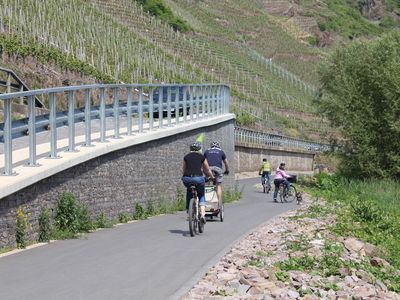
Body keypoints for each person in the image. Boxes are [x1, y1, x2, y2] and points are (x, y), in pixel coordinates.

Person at [182, 142, 214, 224]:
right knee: (201, 194)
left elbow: (183, 170)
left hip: (187, 179)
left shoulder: (186, 157)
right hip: (198, 178)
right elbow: (206, 170)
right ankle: (203, 215)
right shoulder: (202, 157)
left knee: (189, 191)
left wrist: (185, 177)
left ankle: (189, 211)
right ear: (199, 149)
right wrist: (212, 177)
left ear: (190, 149)